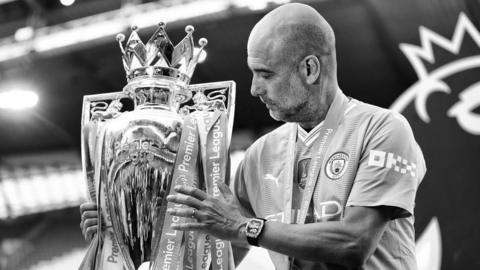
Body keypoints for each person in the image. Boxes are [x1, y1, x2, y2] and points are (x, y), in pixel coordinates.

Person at [81, 3, 426, 269]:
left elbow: (353, 243)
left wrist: (248, 227)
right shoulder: (261, 154)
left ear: (310, 69)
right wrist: (127, 231)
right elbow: (217, 252)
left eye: (265, 74)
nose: (254, 88)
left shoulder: (382, 129)